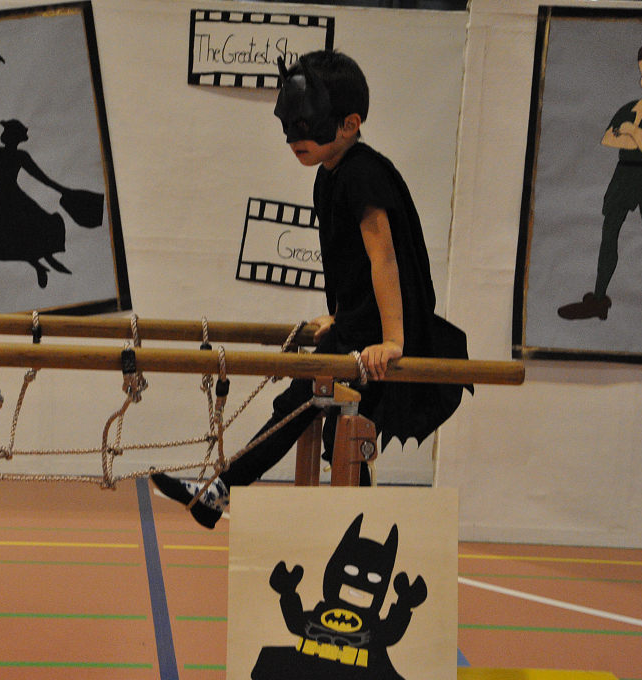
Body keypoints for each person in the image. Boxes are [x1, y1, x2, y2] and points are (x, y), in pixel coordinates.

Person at [152, 50, 469, 529]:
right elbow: (349, 264)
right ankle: (345, 524)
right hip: (358, 327)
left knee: (306, 404)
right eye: (288, 125)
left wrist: (392, 340)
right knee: (335, 427)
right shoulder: (329, 176)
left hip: (383, 334)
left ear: (349, 124)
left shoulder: (363, 173)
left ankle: (221, 491)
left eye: (307, 125)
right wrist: (341, 317)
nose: (294, 139)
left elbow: (385, 258)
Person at [557, 26, 642, 338]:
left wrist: (631, 132)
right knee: (609, 235)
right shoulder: (629, 108)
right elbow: (608, 138)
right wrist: (636, 136)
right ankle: (598, 300)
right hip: (623, 175)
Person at [0, 118, 71, 288]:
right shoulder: (9, 154)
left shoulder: (9, 154)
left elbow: (40, 177)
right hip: (12, 197)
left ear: (11, 137)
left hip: (8, 198)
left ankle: (41, 261)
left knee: (19, 232)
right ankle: (40, 264)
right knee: (15, 234)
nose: (3, 134)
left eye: (6, 132)